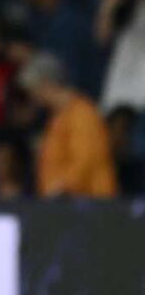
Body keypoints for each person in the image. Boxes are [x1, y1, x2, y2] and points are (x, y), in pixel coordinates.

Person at [18, 52, 117, 199]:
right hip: (64, 203)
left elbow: (85, 161)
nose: (33, 97)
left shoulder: (82, 114)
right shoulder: (57, 118)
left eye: (34, 90)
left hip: (89, 203)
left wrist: (61, 188)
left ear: (47, 84)